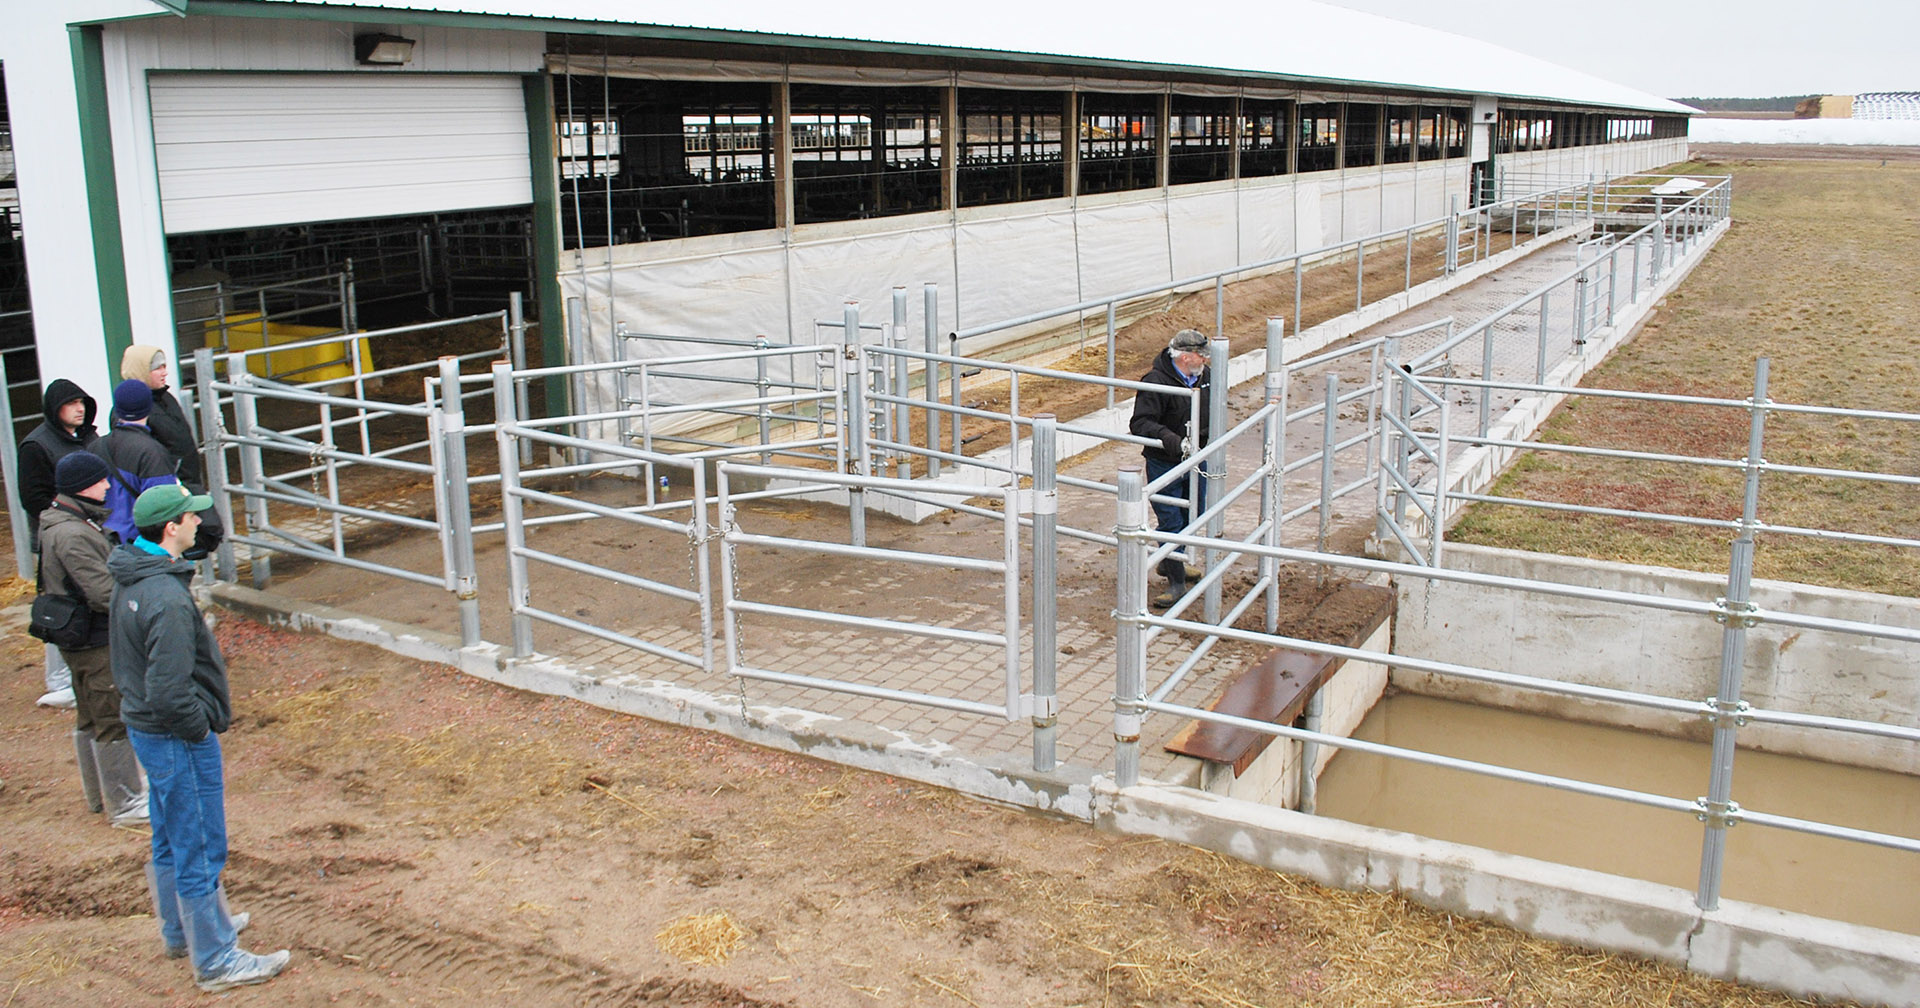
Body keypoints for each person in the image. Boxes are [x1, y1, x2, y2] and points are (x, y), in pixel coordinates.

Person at [110, 484, 288, 992]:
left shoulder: (133, 575)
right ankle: (215, 959)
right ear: (172, 527)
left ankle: (181, 930)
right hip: (174, 734)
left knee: (169, 835)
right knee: (200, 844)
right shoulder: (165, 595)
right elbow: (168, 688)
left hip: (146, 728)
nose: (198, 523)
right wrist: (199, 725)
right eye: (191, 516)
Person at [39, 452, 147, 824]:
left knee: (89, 718)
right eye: (101, 480)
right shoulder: (73, 533)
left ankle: (99, 796)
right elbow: (103, 593)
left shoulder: (62, 524)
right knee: (112, 718)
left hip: (78, 640)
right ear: (83, 486)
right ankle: (126, 803)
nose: (107, 486)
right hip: (95, 640)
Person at [18, 378, 98, 708]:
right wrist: (68, 518)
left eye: (82, 401)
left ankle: (81, 675)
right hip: (59, 536)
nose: (79, 408)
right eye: (71, 403)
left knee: (89, 598)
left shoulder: (89, 437)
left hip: (91, 532)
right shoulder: (36, 446)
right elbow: (33, 497)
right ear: (56, 409)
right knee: (58, 603)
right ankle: (61, 679)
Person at [1129, 328, 1215, 608]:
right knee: (1171, 521)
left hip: (1195, 458)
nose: (1205, 359)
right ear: (1186, 356)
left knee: (1194, 513)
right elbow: (1140, 423)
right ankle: (1176, 582)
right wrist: (1170, 439)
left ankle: (1169, 560)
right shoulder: (1155, 382)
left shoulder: (1206, 377)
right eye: (1201, 354)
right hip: (1164, 462)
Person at [90, 381, 183, 546]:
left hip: (103, 543)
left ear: (117, 408)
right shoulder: (153, 453)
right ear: (149, 407)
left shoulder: (96, 446)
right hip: (142, 548)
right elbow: (164, 508)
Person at [117, 345, 203, 491]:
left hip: (189, 483)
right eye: (157, 368)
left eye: (164, 366)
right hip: (166, 489)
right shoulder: (130, 409)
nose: (165, 372)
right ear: (141, 370)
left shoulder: (166, 398)